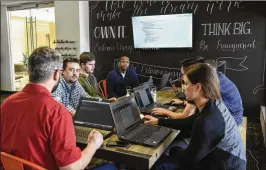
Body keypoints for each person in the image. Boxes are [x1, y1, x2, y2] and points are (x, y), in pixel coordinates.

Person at [0, 47, 117, 170]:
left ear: (29, 70)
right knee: (111, 166)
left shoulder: (6, 103)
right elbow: (72, 168)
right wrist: (93, 145)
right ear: (57, 74)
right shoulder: (57, 112)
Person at [144, 63, 246, 170]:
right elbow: (189, 121)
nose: (184, 88)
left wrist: (174, 150)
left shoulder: (206, 121)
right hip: (228, 159)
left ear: (198, 87)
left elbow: (188, 160)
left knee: (159, 164)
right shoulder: (213, 103)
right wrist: (159, 121)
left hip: (226, 165)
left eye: (186, 83)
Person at [152, 56, 243, 126]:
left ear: (193, 72)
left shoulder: (203, 83)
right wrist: (184, 103)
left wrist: (165, 112)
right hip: (233, 114)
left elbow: (185, 116)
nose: (182, 78)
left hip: (232, 120)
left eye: (183, 74)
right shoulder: (211, 76)